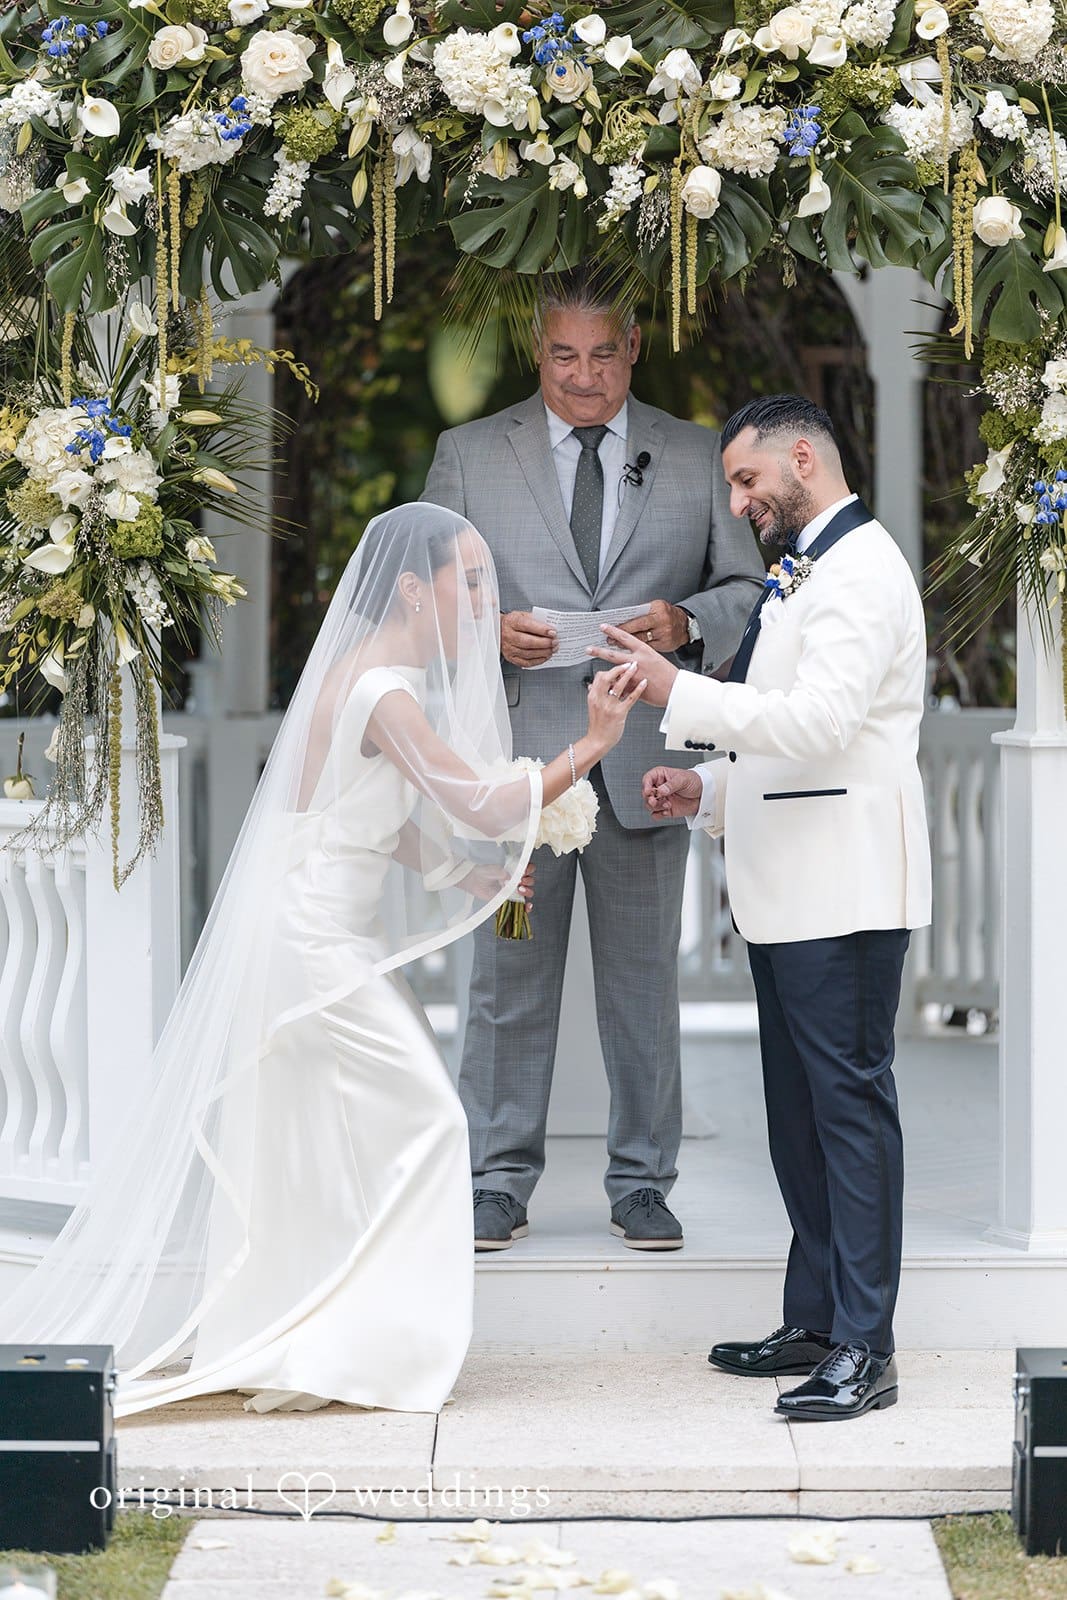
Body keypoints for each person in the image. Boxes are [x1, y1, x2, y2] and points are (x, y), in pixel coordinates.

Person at [0, 504, 646, 1417]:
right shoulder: (384, 688)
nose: (483, 598)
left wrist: (466, 879)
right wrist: (593, 746)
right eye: (468, 582)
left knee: (314, 1147)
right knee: (428, 1119)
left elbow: (369, 817)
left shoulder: (368, 678)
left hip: (315, 932)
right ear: (414, 590)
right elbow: (474, 801)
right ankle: (373, 1344)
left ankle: (329, 1334)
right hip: (311, 940)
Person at [592, 395, 932, 1421]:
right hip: (787, 889)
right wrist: (707, 789)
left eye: (746, 483)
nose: (737, 503)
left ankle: (865, 1350)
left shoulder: (862, 570)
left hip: (845, 888)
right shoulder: (808, 572)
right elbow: (787, 739)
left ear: (800, 459)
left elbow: (826, 723)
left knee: (848, 1116)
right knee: (798, 1122)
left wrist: (673, 694)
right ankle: (816, 1320)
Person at [423, 267, 763, 1253]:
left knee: (642, 986)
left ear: (634, 347)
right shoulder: (468, 453)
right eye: (563, 355)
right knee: (503, 978)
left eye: (602, 354)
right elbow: (426, 594)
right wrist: (489, 633)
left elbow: (747, 588)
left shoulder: (698, 454)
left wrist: (682, 621)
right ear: (537, 352)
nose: (582, 376)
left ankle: (642, 1182)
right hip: (520, 779)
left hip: (644, 773)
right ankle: (494, 1179)